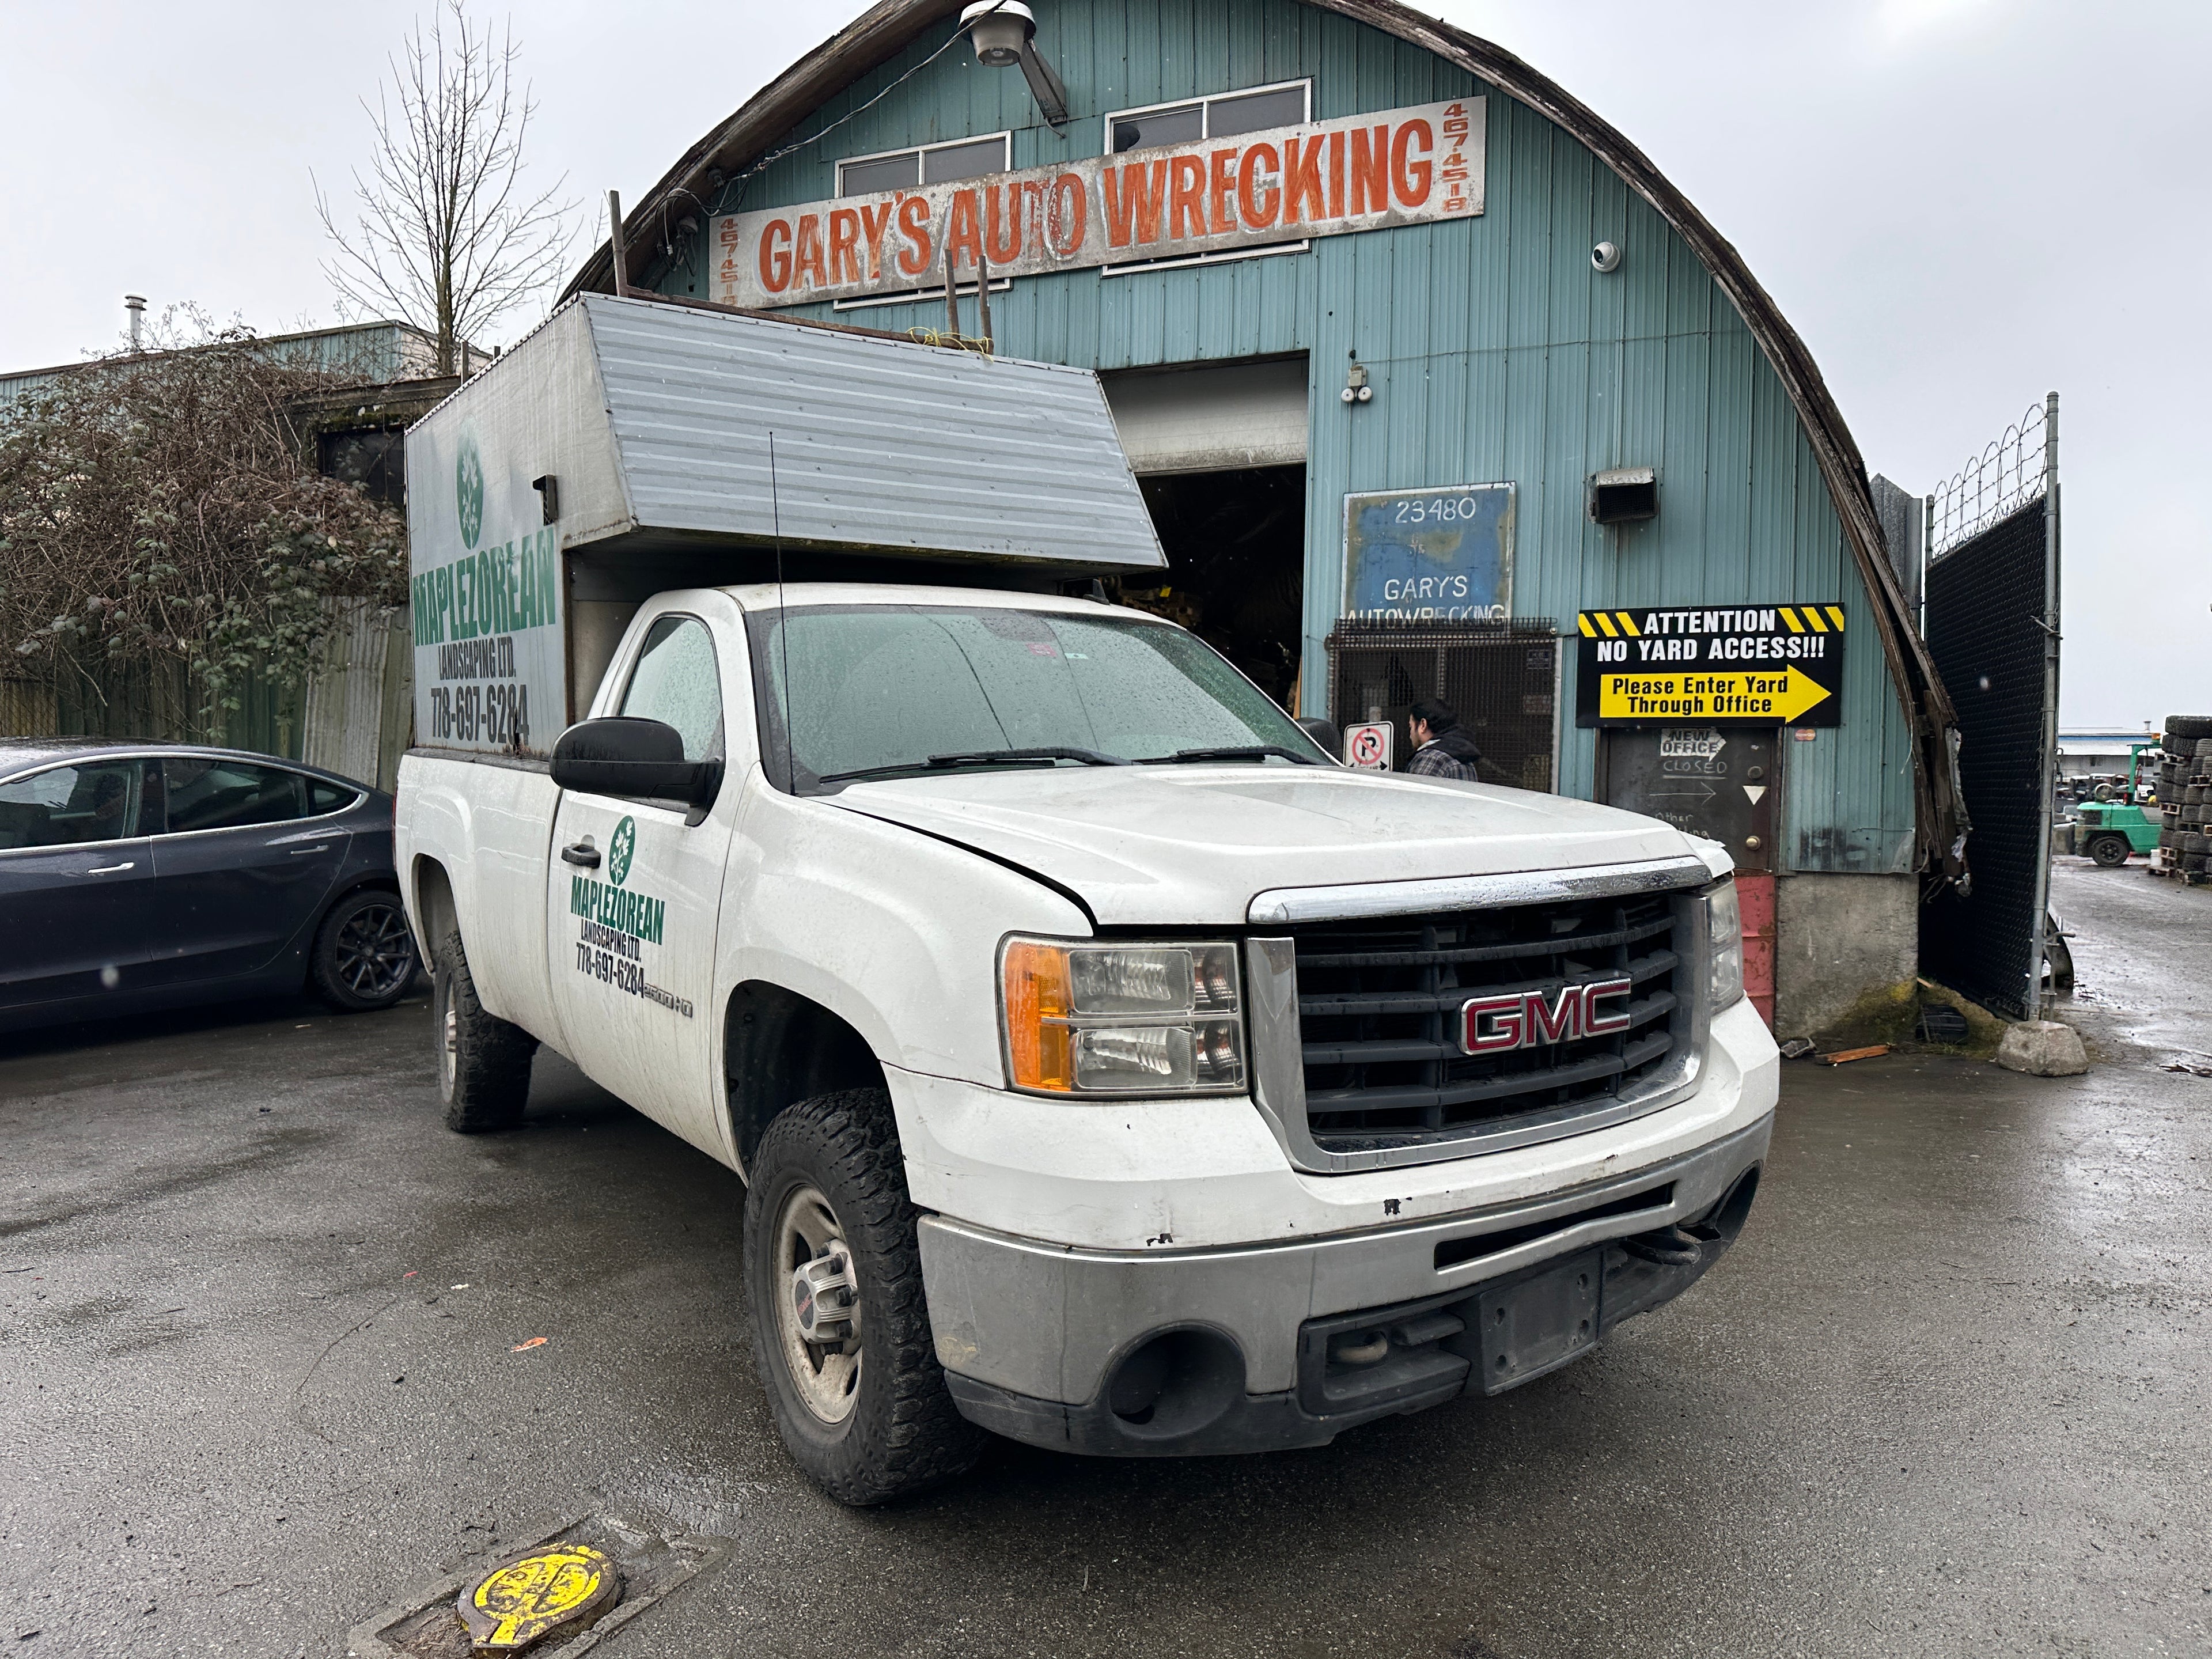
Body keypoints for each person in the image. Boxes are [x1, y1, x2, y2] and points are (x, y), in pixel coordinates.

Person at [1404, 697, 1484, 781]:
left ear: (1423, 725)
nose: (1410, 735)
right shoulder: (1466, 760)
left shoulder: (1431, 758)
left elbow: (1417, 793)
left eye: (1411, 727)